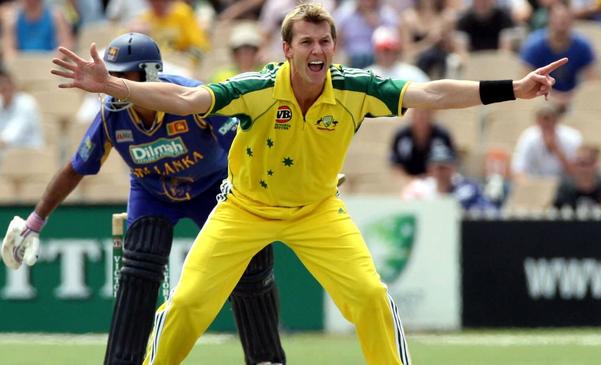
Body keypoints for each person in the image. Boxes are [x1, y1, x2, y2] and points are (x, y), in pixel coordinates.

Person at [50, 4, 566, 364]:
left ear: (334, 46)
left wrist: (514, 89)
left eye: (325, 42)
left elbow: (430, 92)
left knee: (370, 297)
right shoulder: (255, 87)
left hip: (317, 211)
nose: (317, 50)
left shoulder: (354, 88)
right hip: (244, 210)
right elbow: (188, 101)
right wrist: (116, 84)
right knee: (184, 308)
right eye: (307, 42)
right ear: (287, 48)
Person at [2, 33, 285, 365]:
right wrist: (34, 222)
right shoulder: (111, 114)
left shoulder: (191, 97)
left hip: (213, 187)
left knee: (251, 267)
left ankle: (266, 359)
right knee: (138, 269)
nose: (114, 82)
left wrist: (285, 186)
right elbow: (76, 168)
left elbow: (247, 149)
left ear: (150, 72)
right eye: (111, 74)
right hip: (152, 191)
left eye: (125, 74)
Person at [519, 1, 596, 109]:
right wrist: (554, 99)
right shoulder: (534, 45)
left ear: (571, 19)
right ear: (549, 19)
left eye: (565, 17)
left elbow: (591, 82)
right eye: (557, 17)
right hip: (540, 102)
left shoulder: (582, 45)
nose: (561, 21)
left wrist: (569, 99)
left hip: (574, 103)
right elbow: (524, 81)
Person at [401, 142, 497, 211]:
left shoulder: (468, 189)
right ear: (430, 169)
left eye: (444, 167)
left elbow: (489, 211)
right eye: (437, 167)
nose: (441, 172)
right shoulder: (419, 188)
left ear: (453, 167)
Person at [511, 103, 582, 182]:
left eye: (549, 120)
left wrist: (556, 150)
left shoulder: (572, 137)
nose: (546, 124)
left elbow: (576, 172)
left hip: (563, 184)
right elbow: (518, 169)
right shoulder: (528, 137)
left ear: (556, 120)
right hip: (535, 183)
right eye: (542, 121)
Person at [390, 108, 456, 178]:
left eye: (425, 114)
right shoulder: (402, 135)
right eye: (417, 114)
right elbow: (395, 163)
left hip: (435, 180)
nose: (421, 117)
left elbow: (450, 161)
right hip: (408, 181)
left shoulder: (441, 134)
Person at [1, 0, 74, 60]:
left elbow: (66, 44)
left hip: (49, 62)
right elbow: (8, 49)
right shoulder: (12, 17)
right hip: (21, 64)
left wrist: (53, 60)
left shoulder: (56, 15)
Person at [0, 68, 44, 153]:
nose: (3, 86)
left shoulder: (26, 103)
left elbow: (8, 137)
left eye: (6, 82)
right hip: (7, 158)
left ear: (13, 84)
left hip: (30, 157)